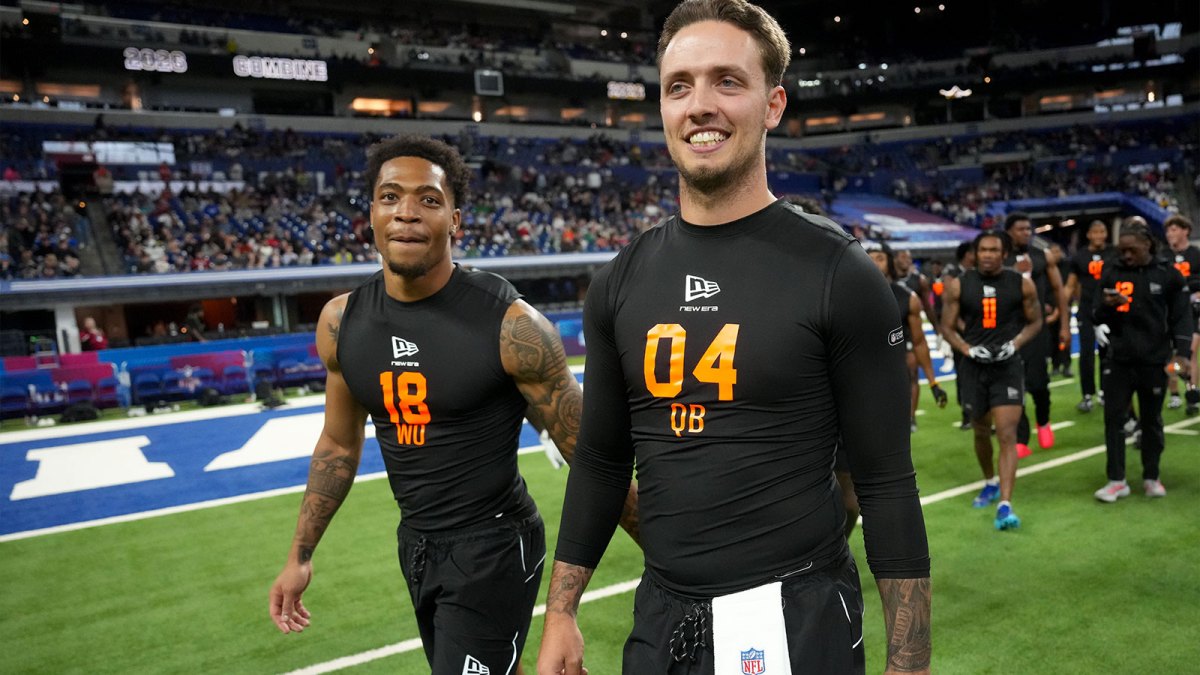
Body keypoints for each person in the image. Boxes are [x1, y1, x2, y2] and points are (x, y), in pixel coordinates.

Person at [538, 3, 931, 674]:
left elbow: (886, 481)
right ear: (664, 109)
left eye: (727, 80)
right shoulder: (620, 280)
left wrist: (910, 663)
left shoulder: (838, 273)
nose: (700, 105)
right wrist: (561, 610)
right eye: (679, 86)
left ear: (773, 104)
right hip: (661, 618)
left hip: (796, 617)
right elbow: (601, 461)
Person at [268, 135, 637, 675]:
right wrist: (300, 555)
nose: (407, 213)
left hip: (494, 546)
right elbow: (339, 445)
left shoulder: (513, 327)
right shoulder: (341, 323)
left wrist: (668, 556)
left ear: (455, 221)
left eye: (429, 199)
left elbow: (591, 456)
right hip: (416, 545)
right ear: (371, 215)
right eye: (390, 197)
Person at [940, 231, 1042, 530]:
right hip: (974, 367)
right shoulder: (960, 284)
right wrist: (967, 349)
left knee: (1007, 434)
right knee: (981, 431)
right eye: (982, 250)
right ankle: (989, 482)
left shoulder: (1021, 283)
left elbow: (1035, 321)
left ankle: (1005, 504)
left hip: (1007, 366)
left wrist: (1016, 343)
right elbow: (946, 327)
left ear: (1004, 253)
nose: (987, 255)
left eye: (993, 250)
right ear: (975, 253)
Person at [1092, 221, 1192, 502]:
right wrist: (1105, 308)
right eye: (1122, 250)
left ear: (1147, 244)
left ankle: (1152, 476)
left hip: (1154, 360)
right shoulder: (1111, 271)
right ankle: (1116, 480)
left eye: (1131, 250)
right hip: (1117, 358)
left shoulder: (1169, 275)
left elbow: (1182, 317)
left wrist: (1182, 353)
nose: (1125, 255)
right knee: (1114, 419)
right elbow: (1094, 313)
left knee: (1151, 420)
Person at [1004, 212, 1069, 457]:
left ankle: (1043, 420)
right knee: (1014, 385)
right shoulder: (1001, 258)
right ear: (1009, 232)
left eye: (1028, 229)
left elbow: (1059, 290)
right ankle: (1021, 437)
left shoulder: (1043, 256)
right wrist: (1013, 271)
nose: (1026, 233)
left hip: (1037, 329)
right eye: (1020, 229)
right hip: (1009, 330)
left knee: (1038, 383)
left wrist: (1064, 325)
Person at [868, 245, 949, 433]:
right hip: (865, 365)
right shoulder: (847, 295)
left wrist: (933, 383)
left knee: (911, 366)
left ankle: (910, 418)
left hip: (899, 356)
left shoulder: (908, 297)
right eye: (869, 259)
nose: (874, 264)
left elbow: (919, 342)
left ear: (889, 263)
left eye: (880, 258)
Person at [1063, 220, 1117, 412]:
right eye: (1095, 232)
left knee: (1107, 353)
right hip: (1086, 310)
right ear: (1089, 235)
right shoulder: (1080, 256)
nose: (1099, 235)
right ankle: (1087, 395)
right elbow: (1071, 285)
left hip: (1108, 310)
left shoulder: (1114, 253)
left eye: (1102, 231)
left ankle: (1105, 391)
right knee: (1086, 354)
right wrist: (1063, 306)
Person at [1162, 214, 1200, 413]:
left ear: (1185, 231)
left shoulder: (1195, 254)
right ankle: (1175, 393)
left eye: (1174, 229)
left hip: (1193, 310)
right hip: (1169, 310)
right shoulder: (1163, 256)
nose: (1170, 234)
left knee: (1190, 352)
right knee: (1170, 353)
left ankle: (1192, 392)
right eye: (1168, 230)